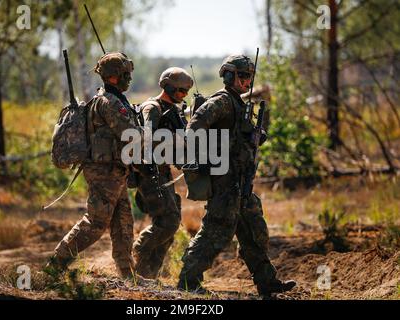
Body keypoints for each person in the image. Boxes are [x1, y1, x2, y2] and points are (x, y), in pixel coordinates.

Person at [177, 54, 296, 297]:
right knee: (216, 231)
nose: (247, 81)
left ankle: (267, 282)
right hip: (226, 182)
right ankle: (188, 281)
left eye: (250, 76)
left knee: (254, 231)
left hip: (241, 182)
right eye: (242, 75)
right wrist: (207, 158)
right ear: (229, 75)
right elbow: (194, 126)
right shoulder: (221, 101)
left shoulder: (239, 104)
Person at [45, 52, 138, 279]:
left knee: (123, 221)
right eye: (126, 74)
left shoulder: (113, 99)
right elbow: (130, 133)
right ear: (114, 77)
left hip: (115, 171)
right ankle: (54, 266)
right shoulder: (108, 102)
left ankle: (127, 273)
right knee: (96, 223)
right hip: (103, 172)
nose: (129, 78)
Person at [133, 67, 193, 279]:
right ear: (168, 86)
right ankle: (138, 252)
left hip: (163, 171)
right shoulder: (153, 107)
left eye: (186, 91)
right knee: (167, 222)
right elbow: (145, 137)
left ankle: (148, 274)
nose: (183, 95)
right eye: (180, 90)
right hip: (149, 172)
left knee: (171, 224)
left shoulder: (174, 111)